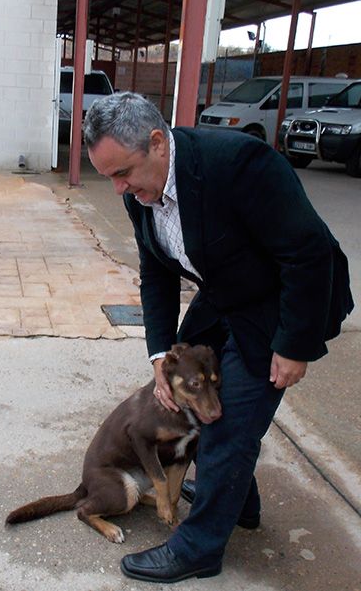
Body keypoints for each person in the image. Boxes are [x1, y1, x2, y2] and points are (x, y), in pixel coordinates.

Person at [83, 92, 353, 583]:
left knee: (225, 423)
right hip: (227, 292)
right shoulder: (141, 192)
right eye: (110, 179)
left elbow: (308, 254)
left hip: (281, 301)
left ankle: (199, 549)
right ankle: (239, 503)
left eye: (123, 173)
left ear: (158, 143)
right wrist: (161, 354)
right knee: (185, 392)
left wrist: (295, 345)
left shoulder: (240, 164)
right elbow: (155, 274)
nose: (120, 188)